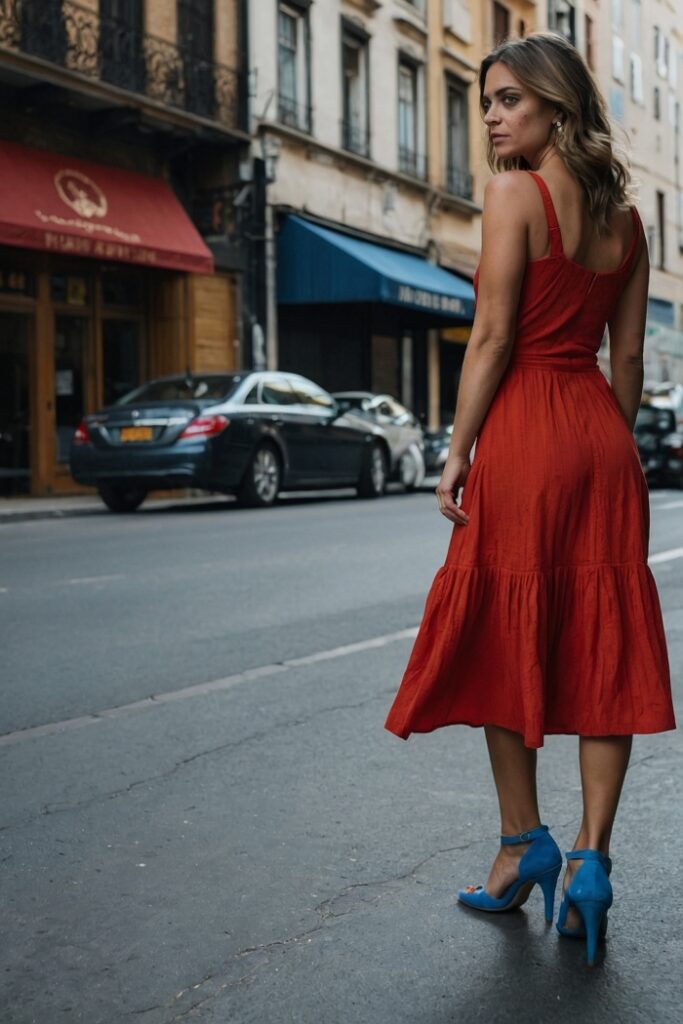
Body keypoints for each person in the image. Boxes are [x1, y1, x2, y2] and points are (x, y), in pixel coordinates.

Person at [384, 31, 675, 967]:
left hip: (524, 430)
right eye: (485, 102)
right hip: (598, 432)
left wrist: (456, 448)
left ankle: (522, 843)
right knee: (603, 640)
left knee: (508, 632)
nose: (492, 118)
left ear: (556, 106)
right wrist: (604, 449)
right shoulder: (627, 223)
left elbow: (493, 336)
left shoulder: (512, 194)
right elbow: (624, 361)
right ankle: (591, 861)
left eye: (508, 99)